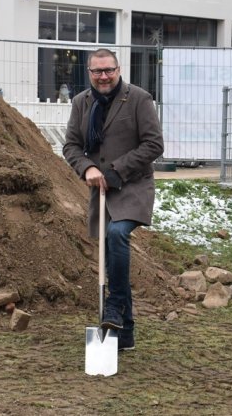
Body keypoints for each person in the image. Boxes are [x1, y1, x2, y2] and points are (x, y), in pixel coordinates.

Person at [62, 48, 164, 352]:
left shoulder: (138, 99)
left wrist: (117, 170)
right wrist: (88, 167)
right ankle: (125, 333)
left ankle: (114, 304)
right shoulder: (81, 103)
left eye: (109, 70)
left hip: (133, 185)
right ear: (89, 73)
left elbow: (154, 144)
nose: (103, 76)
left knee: (118, 234)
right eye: (97, 71)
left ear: (118, 70)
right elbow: (71, 146)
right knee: (110, 253)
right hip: (102, 190)